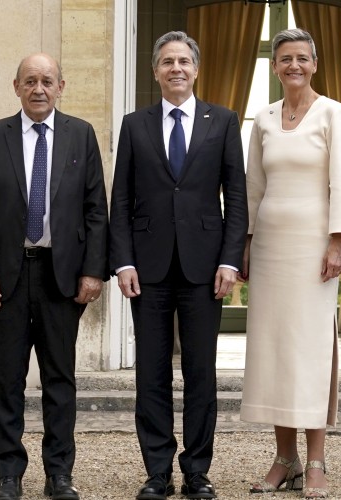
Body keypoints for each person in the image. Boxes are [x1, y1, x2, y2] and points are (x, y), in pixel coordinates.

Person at [0, 53, 108, 500]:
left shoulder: (81, 135)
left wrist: (93, 271)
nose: (38, 89)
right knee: (7, 378)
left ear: (61, 86)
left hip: (61, 278)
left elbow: (96, 210)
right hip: (4, 277)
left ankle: (59, 473)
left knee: (60, 379)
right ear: (16, 87)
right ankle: (8, 473)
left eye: (47, 81)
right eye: (30, 81)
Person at [108, 31, 246, 500]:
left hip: (205, 269)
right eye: (167, 61)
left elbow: (238, 197)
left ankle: (197, 470)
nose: (176, 69)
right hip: (145, 270)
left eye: (184, 61)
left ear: (196, 68)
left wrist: (231, 259)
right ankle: (157, 471)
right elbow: (120, 200)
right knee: (151, 373)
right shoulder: (135, 124)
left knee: (202, 373)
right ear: (155, 71)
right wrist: (122, 261)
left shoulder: (222, 121)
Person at [240, 27, 341, 500]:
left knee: (309, 351)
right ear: (275, 66)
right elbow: (253, 187)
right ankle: (282, 459)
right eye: (285, 57)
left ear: (314, 64)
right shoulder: (264, 118)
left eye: (302, 58)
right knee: (273, 352)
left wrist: (338, 244)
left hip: (314, 248)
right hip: (269, 246)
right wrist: (245, 243)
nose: (293, 65)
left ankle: (315, 461)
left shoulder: (334, 113)